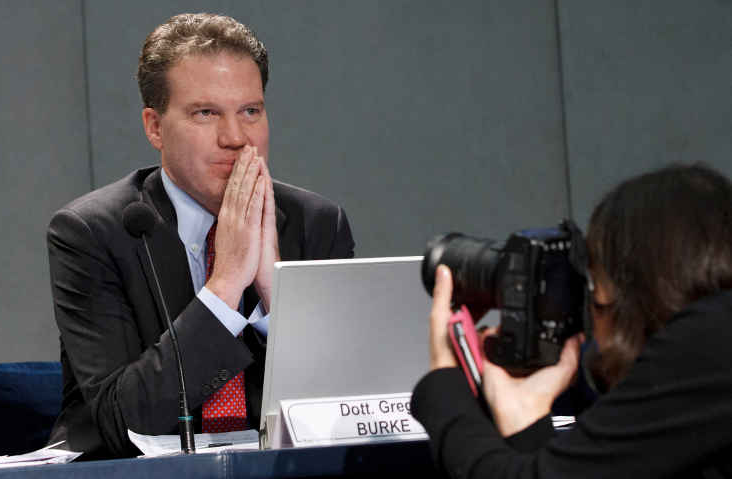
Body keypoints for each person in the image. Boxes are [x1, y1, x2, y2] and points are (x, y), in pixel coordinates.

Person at [46, 13, 354, 458]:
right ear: (154, 126)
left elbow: (347, 409)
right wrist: (226, 284)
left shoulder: (317, 223)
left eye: (250, 111)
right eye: (206, 113)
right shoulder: (93, 233)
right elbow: (124, 424)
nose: (235, 137)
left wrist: (278, 297)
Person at [411, 163, 732, 478]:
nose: (590, 320)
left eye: (597, 297)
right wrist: (524, 417)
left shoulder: (706, 344)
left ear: (640, 294)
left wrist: (444, 379)